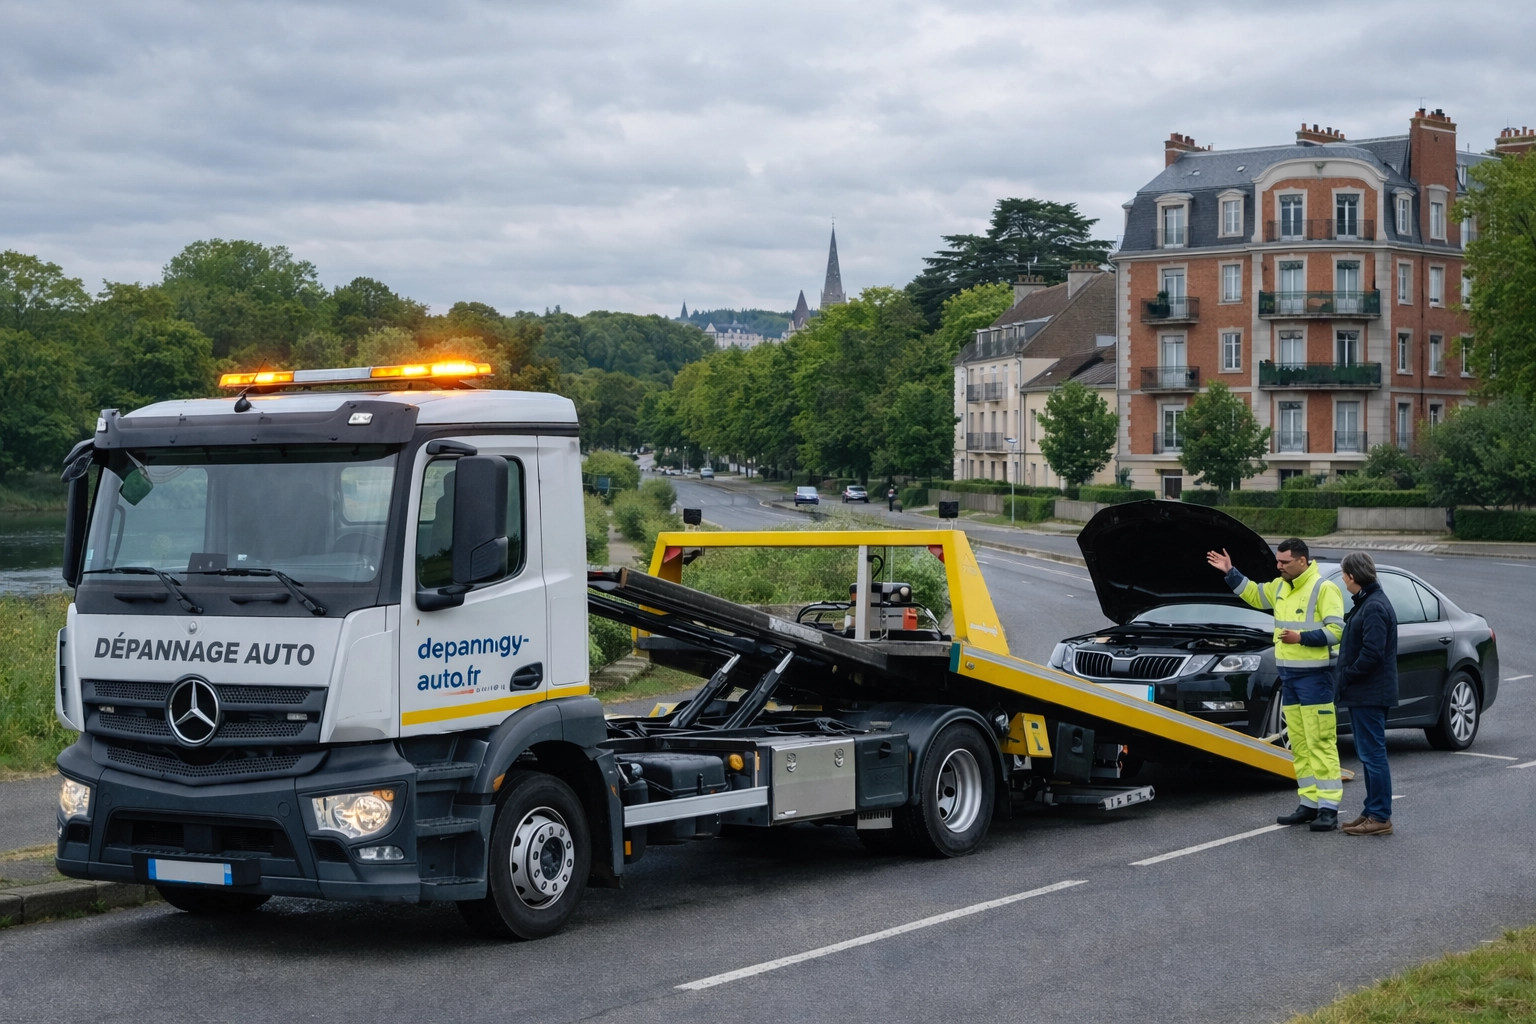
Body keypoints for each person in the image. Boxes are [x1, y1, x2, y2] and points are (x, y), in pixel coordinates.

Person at [1206, 538, 1346, 831]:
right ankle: (1308, 803)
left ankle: (1329, 808)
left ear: (1302, 562)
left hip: (1315, 679)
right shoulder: (1281, 586)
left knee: (1320, 741)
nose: (1278, 566)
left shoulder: (1324, 589)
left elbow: (1336, 631)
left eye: (1284, 562)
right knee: (1299, 743)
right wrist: (1230, 571)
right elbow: (1256, 595)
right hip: (1290, 680)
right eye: (1278, 561)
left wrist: (1302, 639)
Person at [1334, 552, 1398, 836]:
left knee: (1373, 755)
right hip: (1365, 693)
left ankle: (1381, 815)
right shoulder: (1368, 602)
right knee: (1368, 753)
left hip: (1370, 693)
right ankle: (1371, 810)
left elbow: (1372, 653)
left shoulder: (1373, 606)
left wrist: (1346, 675)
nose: (1343, 579)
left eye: (1344, 574)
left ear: (1353, 576)